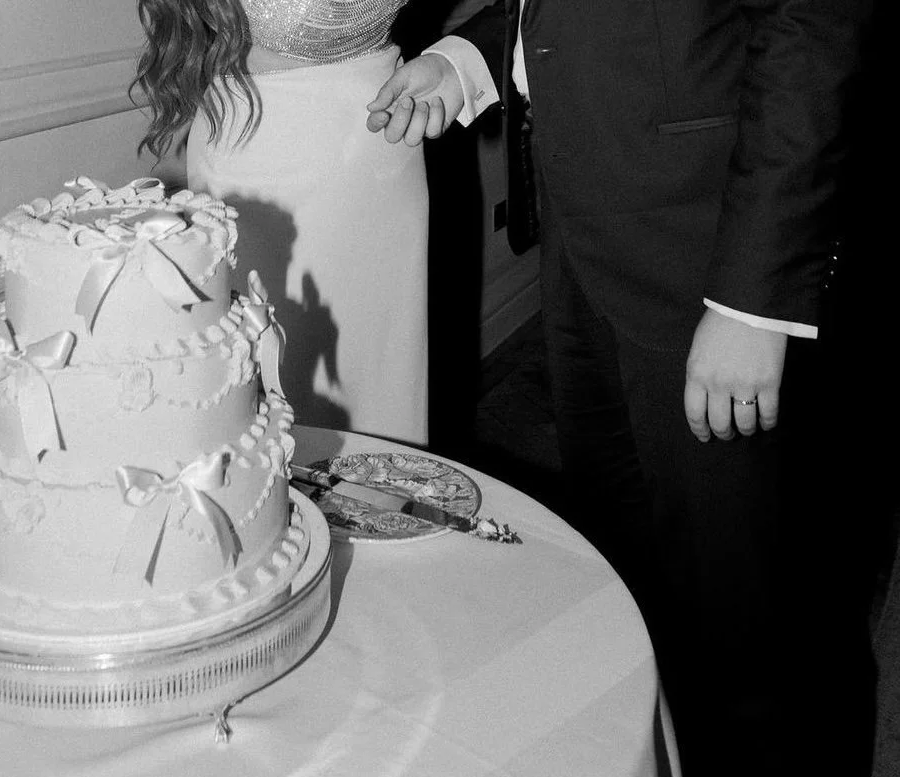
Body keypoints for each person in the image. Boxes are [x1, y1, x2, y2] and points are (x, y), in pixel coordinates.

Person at [366, 1, 876, 775]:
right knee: (630, 574)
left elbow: (810, 26)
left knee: (753, 610)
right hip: (585, 253)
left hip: (709, 253)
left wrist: (754, 298)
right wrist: (469, 60)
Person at [133, 0, 428, 445]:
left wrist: (451, 63)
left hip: (385, 145)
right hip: (266, 154)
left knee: (381, 388)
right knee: (280, 400)